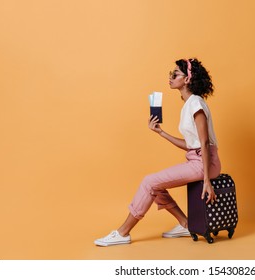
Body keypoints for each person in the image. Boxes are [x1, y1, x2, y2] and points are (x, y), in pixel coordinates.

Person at [94, 58, 221, 246]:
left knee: (149, 182)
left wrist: (206, 181)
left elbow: (203, 143)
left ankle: (123, 233)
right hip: (196, 160)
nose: (170, 77)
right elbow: (191, 144)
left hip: (205, 162)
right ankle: (186, 224)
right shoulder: (189, 104)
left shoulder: (195, 103)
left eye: (175, 74)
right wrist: (161, 132)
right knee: (156, 185)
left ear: (187, 80)